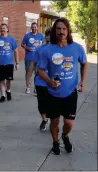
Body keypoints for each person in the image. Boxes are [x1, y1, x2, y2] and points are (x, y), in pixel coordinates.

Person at [38, 17, 88, 155]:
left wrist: (82, 81)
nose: (61, 31)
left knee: (69, 123)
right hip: (53, 94)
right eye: (58, 29)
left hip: (70, 92)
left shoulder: (76, 48)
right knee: (54, 122)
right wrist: (49, 81)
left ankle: (65, 136)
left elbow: (85, 63)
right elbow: (40, 70)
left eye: (64, 29)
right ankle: (55, 142)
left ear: (68, 31)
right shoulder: (47, 50)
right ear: (55, 31)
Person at [25, 27, 51, 131]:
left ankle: (53, 122)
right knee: (41, 103)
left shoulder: (59, 49)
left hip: (53, 81)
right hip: (40, 81)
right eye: (48, 35)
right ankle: (44, 119)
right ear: (46, 36)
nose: (49, 37)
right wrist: (28, 79)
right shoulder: (40, 49)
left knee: (52, 103)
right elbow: (32, 64)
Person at [0, 23, 19, 103]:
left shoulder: (12, 39)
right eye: (1, 28)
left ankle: (8, 91)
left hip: (9, 63)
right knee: (1, 80)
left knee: (9, 80)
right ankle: (3, 95)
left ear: (7, 29)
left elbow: (16, 51)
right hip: (0, 63)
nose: (2, 30)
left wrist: (17, 63)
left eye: (4, 28)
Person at [22, 22, 46, 94]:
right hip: (29, 58)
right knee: (28, 73)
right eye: (32, 27)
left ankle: (36, 88)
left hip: (38, 58)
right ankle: (27, 87)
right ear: (31, 28)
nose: (34, 28)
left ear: (37, 27)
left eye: (35, 27)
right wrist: (27, 47)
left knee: (37, 73)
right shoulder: (27, 35)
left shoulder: (41, 35)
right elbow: (22, 44)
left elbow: (44, 43)